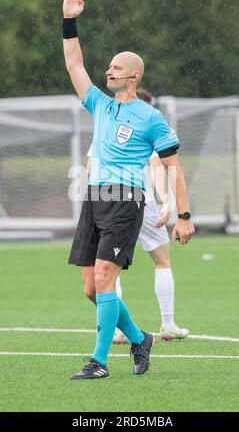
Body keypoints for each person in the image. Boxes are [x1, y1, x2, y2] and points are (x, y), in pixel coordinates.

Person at [63, 0, 195, 380]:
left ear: (134, 76)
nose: (109, 71)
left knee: (105, 277)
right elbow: (74, 65)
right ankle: (140, 338)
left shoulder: (151, 118)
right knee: (91, 288)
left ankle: (99, 362)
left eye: (117, 68)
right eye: (110, 67)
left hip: (126, 201)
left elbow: (174, 167)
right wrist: (69, 21)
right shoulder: (100, 104)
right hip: (93, 200)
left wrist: (183, 215)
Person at [86, 90, 189, 344]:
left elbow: (89, 169)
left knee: (107, 271)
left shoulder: (106, 127)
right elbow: (157, 167)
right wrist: (167, 203)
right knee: (162, 262)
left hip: (107, 203)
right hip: (141, 203)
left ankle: (117, 329)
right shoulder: (147, 124)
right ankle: (167, 323)